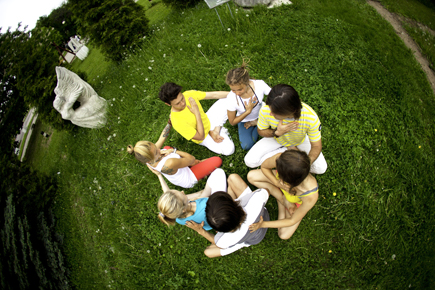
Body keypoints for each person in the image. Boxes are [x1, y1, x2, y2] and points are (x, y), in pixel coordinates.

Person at [244, 84, 327, 174]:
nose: (271, 114)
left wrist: (305, 165)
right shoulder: (266, 110)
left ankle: (288, 153)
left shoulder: (310, 117)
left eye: (275, 113)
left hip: (299, 140)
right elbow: (261, 131)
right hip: (275, 138)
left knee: (321, 168)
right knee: (249, 161)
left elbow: (316, 146)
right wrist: (277, 132)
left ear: (290, 111)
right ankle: (287, 153)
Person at [185, 174, 270, 258]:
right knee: (232, 178)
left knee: (208, 252)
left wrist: (201, 231)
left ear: (220, 230)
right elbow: (266, 191)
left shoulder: (223, 239)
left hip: (250, 239)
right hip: (262, 217)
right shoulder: (254, 201)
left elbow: (218, 244)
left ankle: (239, 244)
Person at [128, 120, 222, 188]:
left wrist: (169, 123)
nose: (158, 149)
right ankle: (200, 165)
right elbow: (191, 159)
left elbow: (162, 137)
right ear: (149, 160)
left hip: (177, 166)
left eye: (155, 146)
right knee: (217, 160)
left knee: (166, 147)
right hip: (189, 177)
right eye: (156, 152)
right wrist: (173, 151)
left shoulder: (148, 158)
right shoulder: (169, 163)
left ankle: (197, 164)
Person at [248, 150, 318, 240]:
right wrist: (277, 183)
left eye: (280, 176)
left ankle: (282, 202)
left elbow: (292, 220)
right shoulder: (282, 160)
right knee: (251, 176)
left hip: (294, 200)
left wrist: (263, 224)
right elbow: (264, 167)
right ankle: (282, 199)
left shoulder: (310, 196)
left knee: (283, 234)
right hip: (282, 187)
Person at [158, 82, 235, 156]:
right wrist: (197, 113)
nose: (183, 103)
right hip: (204, 136)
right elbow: (200, 136)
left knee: (229, 98)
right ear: (168, 104)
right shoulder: (177, 122)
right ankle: (217, 128)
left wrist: (235, 94)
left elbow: (213, 95)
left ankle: (217, 129)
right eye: (177, 103)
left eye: (182, 98)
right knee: (229, 150)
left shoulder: (188, 94)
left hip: (208, 119)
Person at [152, 167, 227, 231]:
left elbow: (169, 196)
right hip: (219, 206)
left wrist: (159, 175)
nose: (182, 192)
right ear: (183, 209)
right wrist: (207, 198)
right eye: (182, 194)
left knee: (217, 173)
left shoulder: (178, 214)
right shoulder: (204, 211)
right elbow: (218, 210)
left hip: (202, 200)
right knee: (219, 173)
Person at [225, 63, 271, 150]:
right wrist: (247, 111)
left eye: (240, 89)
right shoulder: (231, 98)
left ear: (247, 82)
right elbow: (232, 122)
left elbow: (274, 96)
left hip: (263, 114)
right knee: (246, 146)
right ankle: (261, 126)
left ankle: (258, 123)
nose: (237, 93)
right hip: (244, 120)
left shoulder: (259, 85)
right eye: (233, 90)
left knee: (280, 120)